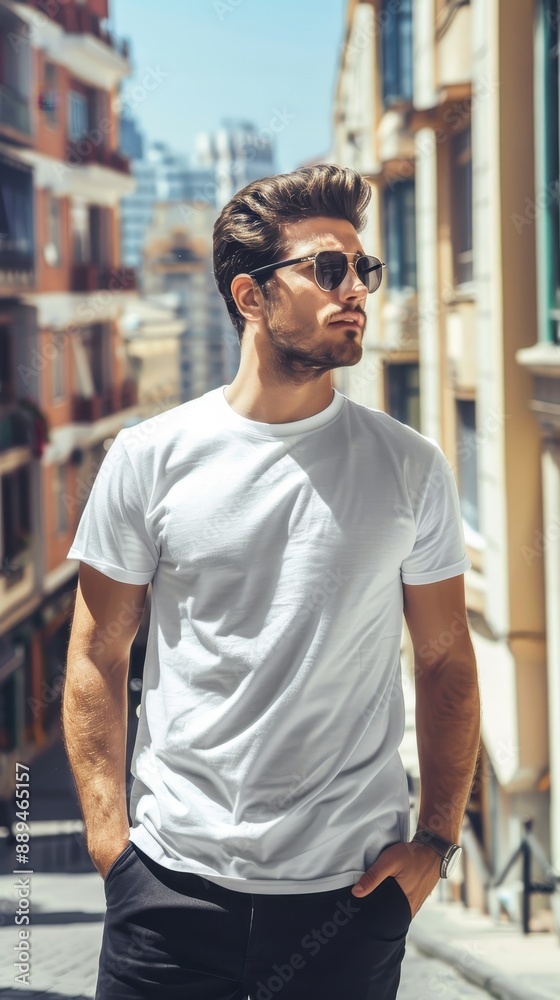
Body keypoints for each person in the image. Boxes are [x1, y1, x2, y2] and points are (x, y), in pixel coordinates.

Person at [62, 164, 481, 1000]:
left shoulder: (410, 467)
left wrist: (434, 843)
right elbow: (96, 656)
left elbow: (445, 663)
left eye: (364, 269)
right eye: (328, 268)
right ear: (250, 298)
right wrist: (115, 851)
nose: (354, 288)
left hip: (350, 900)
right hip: (168, 897)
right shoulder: (151, 458)